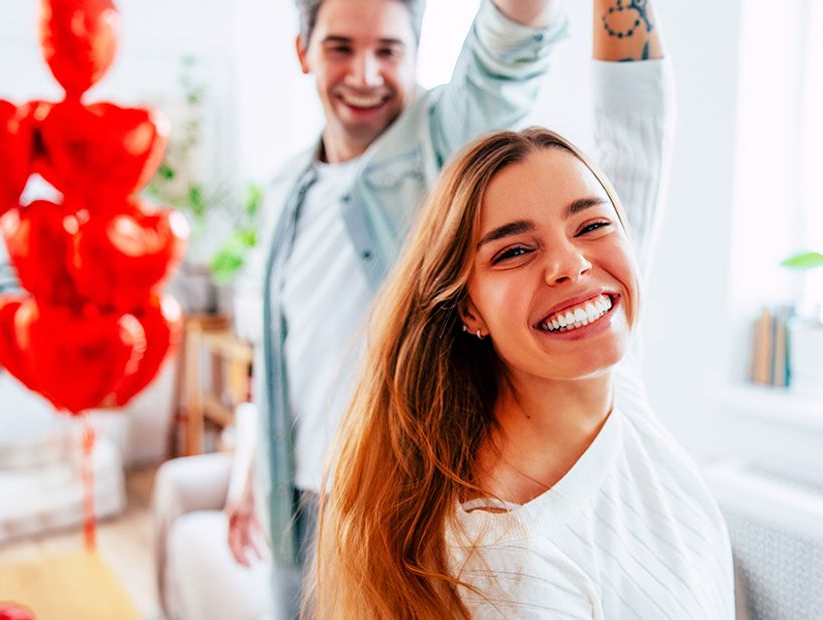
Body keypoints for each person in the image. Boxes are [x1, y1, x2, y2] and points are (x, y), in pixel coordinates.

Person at [315, 1, 736, 617]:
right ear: (468, 311)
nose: (570, 264)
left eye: (591, 223)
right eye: (514, 250)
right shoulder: (508, 564)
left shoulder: (611, 376)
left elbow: (636, 122)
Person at [155, 1, 568, 618]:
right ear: (304, 52)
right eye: (341, 48)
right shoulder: (282, 190)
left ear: (416, 55)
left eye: (389, 51)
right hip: (297, 504)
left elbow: (505, 56)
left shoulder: (444, 143)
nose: (366, 74)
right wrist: (249, 471)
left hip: (399, 500)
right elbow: (280, 356)